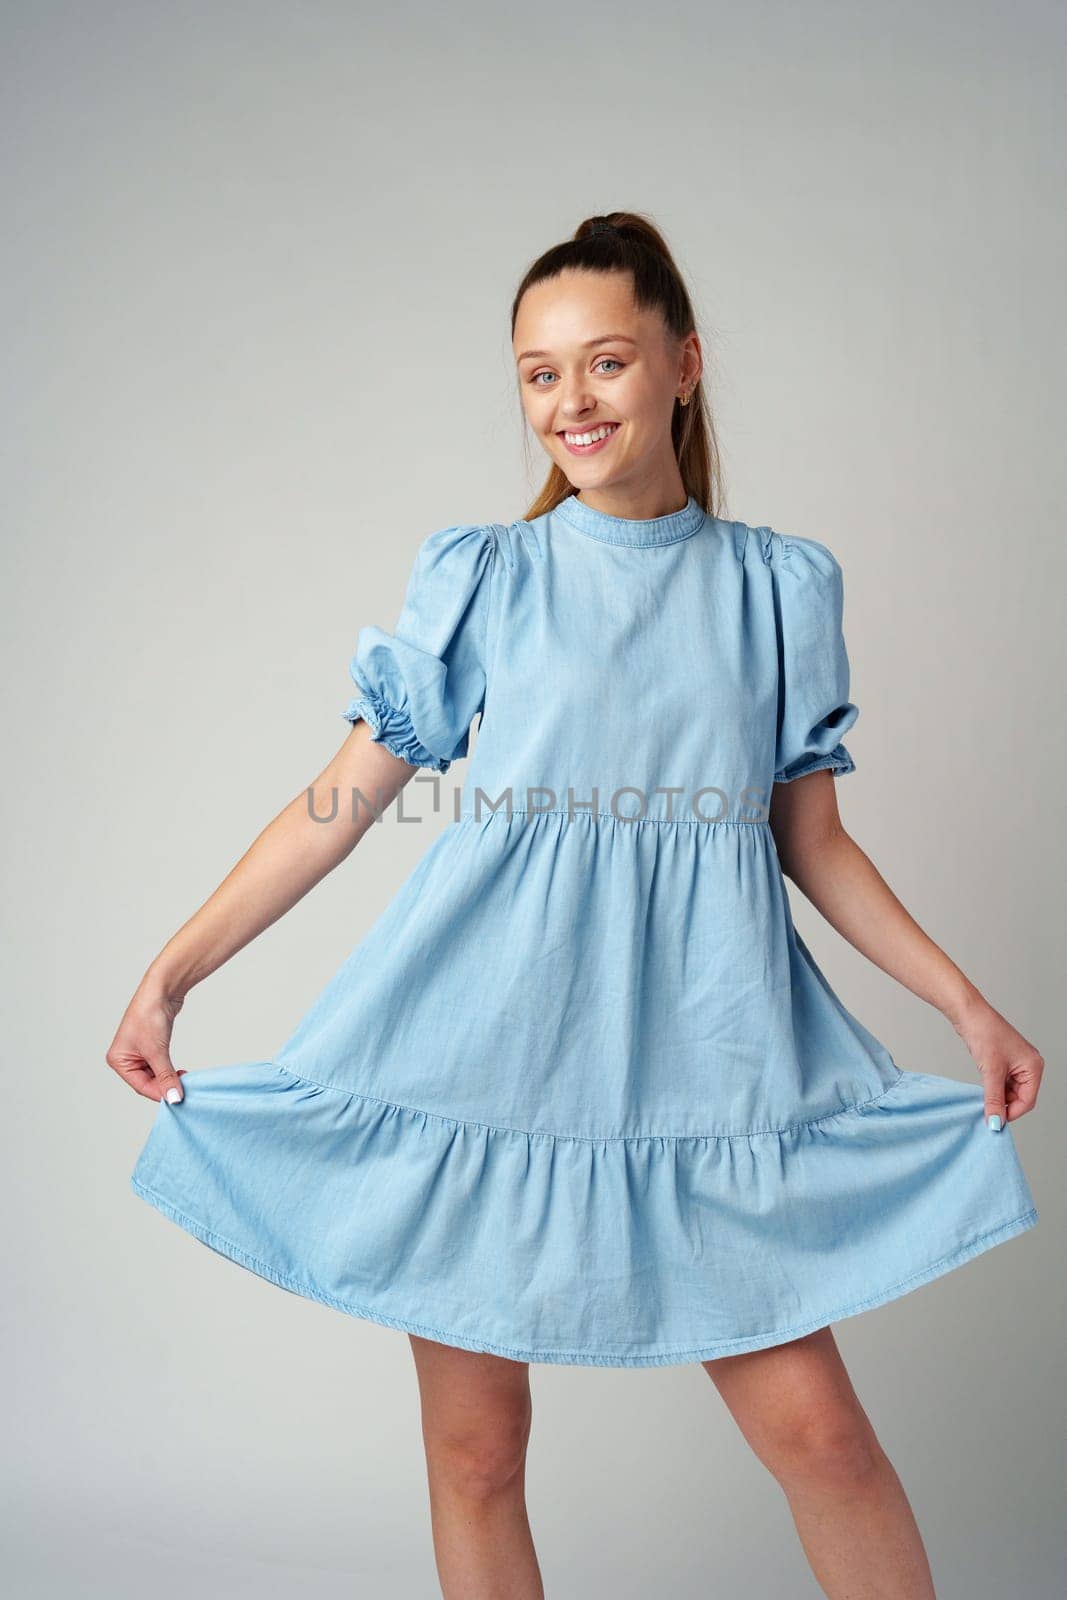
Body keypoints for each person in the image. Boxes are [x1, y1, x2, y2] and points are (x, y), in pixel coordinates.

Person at [110, 211, 1043, 1599]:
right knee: (478, 1454)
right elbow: (339, 802)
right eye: (539, 375)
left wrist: (965, 1003)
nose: (572, 402)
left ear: (684, 365)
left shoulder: (775, 588)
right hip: (481, 1043)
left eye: (604, 363)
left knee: (823, 1439)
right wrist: (171, 970)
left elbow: (812, 840)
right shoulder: (490, 576)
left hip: (710, 1054)